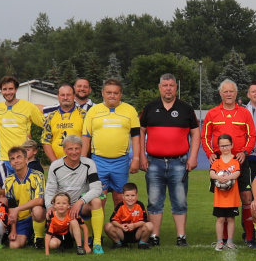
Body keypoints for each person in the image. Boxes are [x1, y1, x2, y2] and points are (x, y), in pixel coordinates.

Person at [139, 73, 200, 247]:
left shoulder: (186, 108)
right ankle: (154, 236)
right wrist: (142, 156)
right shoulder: (150, 108)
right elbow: (141, 131)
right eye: (165, 85)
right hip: (154, 162)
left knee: (179, 200)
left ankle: (181, 236)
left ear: (176, 88)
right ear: (159, 88)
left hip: (179, 162)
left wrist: (193, 156)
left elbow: (195, 133)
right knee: (154, 200)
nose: (168, 88)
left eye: (171, 85)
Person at [202, 80, 256, 245]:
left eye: (231, 91)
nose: (228, 94)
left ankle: (249, 237)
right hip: (220, 162)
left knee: (247, 197)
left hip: (240, 161)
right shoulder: (212, 113)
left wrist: (245, 152)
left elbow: (252, 136)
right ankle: (224, 239)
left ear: (236, 93)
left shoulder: (245, 113)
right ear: (220, 93)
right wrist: (210, 153)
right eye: (225, 91)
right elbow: (205, 136)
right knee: (224, 197)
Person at [82, 78, 143, 214]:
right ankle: (97, 234)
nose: (112, 96)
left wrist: (136, 159)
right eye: (109, 92)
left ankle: (119, 231)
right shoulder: (93, 111)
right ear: (103, 93)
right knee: (99, 198)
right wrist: (83, 160)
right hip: (98, 161)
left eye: (115, 93)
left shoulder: (130, 110)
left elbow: (136, 137)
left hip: (120, 161)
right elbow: (86, 136)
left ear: (121, 94)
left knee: (120, 198)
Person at [44, 135, 105, 254]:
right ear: (64, 150)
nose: (74, 152)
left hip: (80, 206)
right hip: (62, 208)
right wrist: (49, 206)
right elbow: (50, 191)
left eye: (77, 148)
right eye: (70, 149)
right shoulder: (55, 166)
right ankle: (41, 239)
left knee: (97, 201)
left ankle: (97, 243)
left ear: (82, 149)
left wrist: (80, 201)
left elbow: (97, 188)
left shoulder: (89, 164)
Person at [0, 76, 45, 163]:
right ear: (1, 91)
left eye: (11, 89)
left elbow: (45, 123)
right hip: (5, 159)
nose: (8, 92)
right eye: (5, 89)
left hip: (23, 158)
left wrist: (46, 108)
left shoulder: (28, 106)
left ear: (16, 89)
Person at [4, 147, 46, 250]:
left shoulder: (37, 175)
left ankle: (38, 239)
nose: (16, 161)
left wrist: (18, 209)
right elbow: (12, 208)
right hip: (21, 219)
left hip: (37, 215)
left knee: (37, 210)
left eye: (19, 157)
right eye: (13, 159)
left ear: (26, 159)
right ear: (10, 162)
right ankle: (29, 237)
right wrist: (13, 229)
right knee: (14, 246)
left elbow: (40, 200)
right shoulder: (9, 181)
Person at [210, 134, 241, 251]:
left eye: (227, 145)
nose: (225, 148)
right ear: (218, 147)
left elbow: (237, 173)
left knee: (231, 219)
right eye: (222, 146)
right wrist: (218, 178)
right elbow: (212, 173)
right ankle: (219, 242)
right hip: (220, 198)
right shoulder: (217, 161)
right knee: (220, 219)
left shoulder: (235, 161)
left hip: (232, 197)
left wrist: (228, 177)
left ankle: (230, 242)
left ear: (232, 145)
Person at [41, 84, 86, 162]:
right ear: (58, 96)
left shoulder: (84, 115)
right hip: (58, 163)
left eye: (68, 95)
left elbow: (88, 140)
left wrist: (81, 162)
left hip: (79, 163)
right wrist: (55, 163)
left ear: (74, 96)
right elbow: (46, 142)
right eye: (62, 95)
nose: (65, 98)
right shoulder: (50, 117)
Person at [105, 183, 152, 249]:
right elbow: (112, 220)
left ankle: (142, 243)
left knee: (150, 225)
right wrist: (120, 226)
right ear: (123, 196)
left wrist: (134, 225)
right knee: (107, 226)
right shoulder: (120, 206)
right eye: (127, 195)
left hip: (137, 232)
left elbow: (144, 220)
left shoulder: (140, 205)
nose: (130, 198)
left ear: (136, 196)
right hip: (122, 232)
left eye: (133, 195)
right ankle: (118, 243)